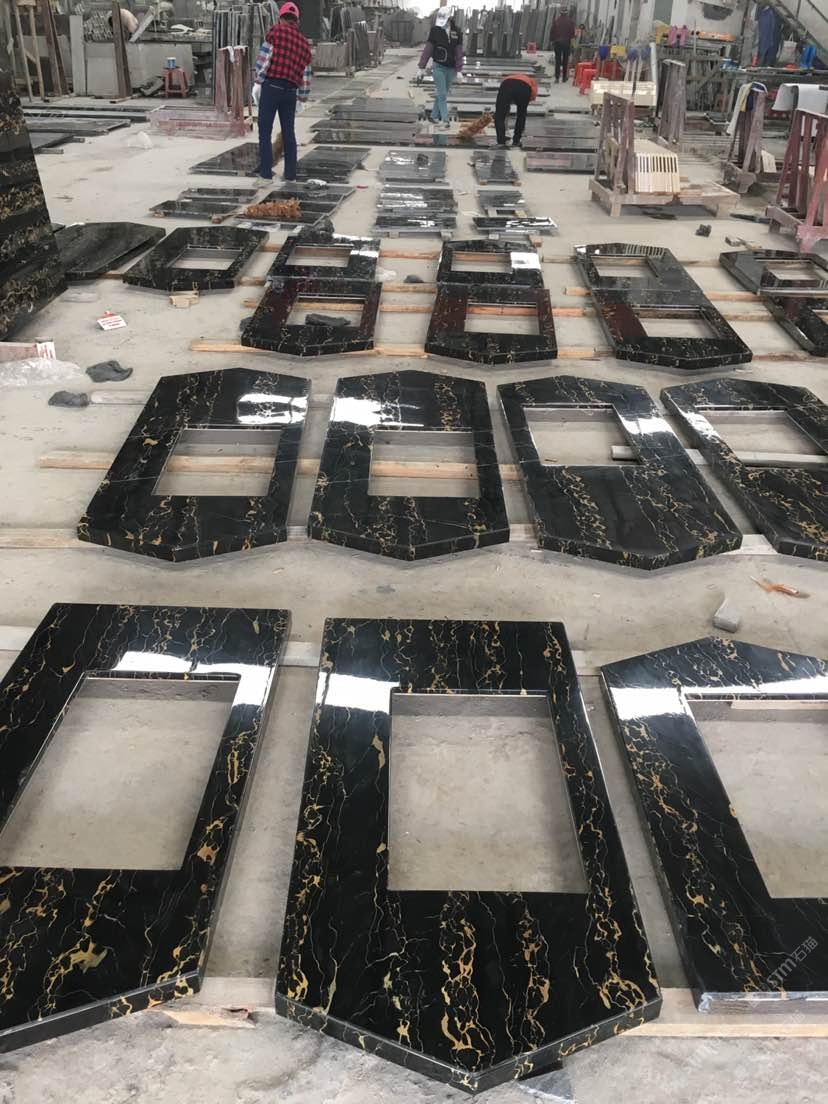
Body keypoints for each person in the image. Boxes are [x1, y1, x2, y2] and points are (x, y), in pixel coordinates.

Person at [252, 2, 313, 182]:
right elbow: (306, 74)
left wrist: (258, 82)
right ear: (297, 21)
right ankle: (290, 174)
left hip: (272, 87)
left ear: (280, 18)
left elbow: (264, 60)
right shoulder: (304, 44)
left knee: (265, 130)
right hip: (290, 91)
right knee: (288, 133)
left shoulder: (275, 33)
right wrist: (302, 97)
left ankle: (265, 173)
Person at [417, 9, 464, 127]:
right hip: (438, 67)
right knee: (442, 94)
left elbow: (459, 52)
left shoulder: (457, 32)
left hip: (451, 69)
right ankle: (445, 120)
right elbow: (428, 50)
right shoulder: (435, 31)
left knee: (441, 94)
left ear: (449, 18)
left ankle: (433, 116)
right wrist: (421, 67)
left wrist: (459, 70)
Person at [494, 73, 538, 148]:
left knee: (499, 115)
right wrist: (522, 103)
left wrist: (504, 107)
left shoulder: (507, 80)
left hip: (507, 85)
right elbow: (532, 96)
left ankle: (501, 142)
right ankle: (516, 141)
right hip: (524, 88)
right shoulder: (531, 82)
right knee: (521, 114)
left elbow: (504, 101)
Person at [550, 6, 576, 83]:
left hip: (557, 43)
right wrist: (574, 45)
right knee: (565, 60)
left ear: (560, 12)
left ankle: (557, 78)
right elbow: (572, 34)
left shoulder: (556, 21)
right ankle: (564, 78)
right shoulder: (570, 22)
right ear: (567, 12)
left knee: (558, 60)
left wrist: (552, 41)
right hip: (566, 43)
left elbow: (552, 32)